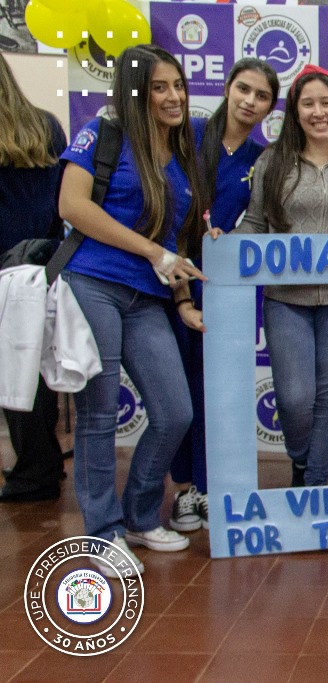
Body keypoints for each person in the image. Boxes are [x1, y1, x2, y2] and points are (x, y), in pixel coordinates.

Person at [58, 45, 205, 569]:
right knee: (99, 416)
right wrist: (151, 250)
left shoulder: (183, 148)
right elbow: (72, 206)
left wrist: (183, 300)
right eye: (160, 87)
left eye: (179, 86)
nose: (174, 97)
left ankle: (141, 518)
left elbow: (177, 235)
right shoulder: (103, 133)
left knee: (175, 411)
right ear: (136, 91)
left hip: (148, 296)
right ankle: (102, 535)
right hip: (91, 282)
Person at [233, 65, 328, 488]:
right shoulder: (272, 160)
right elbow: (255, 223)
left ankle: (314, 485)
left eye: (326, 103)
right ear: (294, 112)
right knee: (295, 398)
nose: (318, 111)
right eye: (307, 103)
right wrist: (224, 243)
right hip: (285, 298)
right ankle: (300, 461)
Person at [167, 58, 279, 533]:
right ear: (228, 88)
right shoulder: (187, 134)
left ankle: (209, 490)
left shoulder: (261, 159)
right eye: (244, 90)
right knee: (176, 393)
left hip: (222, 289)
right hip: (168, 275)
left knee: (213, 390)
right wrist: (179, 292)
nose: (250, 101)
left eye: (262, 96)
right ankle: (184, 487)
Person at [0, 53, 67, 502]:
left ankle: (34, 472)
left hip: (10, 263)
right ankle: (39, 465)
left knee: (14, 371)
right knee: (32, 371)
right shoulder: (45, 126)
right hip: (40, 261)